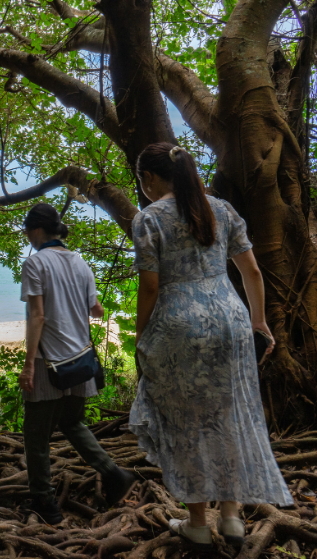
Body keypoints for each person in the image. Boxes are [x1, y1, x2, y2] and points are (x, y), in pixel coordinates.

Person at [130, 143, 292, 549]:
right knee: (230, 416)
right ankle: (233, 517)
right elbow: (251, 270)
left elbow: (150, 285)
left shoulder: (149, 218)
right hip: (231, 320)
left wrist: (140, 333)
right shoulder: (220, 210)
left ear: (149, 178)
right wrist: (258, 322)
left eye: (141, 180)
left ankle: (199, 522)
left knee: (186, 424)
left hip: (180, 325)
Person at [19, 203, 136, 525]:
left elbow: (38, 316)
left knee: (36, 435)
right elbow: (96, 309)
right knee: (71, 423)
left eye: (28, 232)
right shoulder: (81, 263)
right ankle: (113, 474)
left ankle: (45, 503)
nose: (28, 238)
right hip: (81, 360)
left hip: (49, 363)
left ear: (36, 230)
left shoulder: (35, 264)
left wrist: (29, 365)